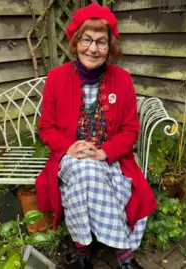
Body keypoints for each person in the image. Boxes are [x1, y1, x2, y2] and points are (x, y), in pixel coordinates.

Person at [35, 3, 157, 269]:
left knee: (93, 175)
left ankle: (83, 255)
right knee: (85, 172)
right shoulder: (56, 79)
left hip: (112, 159)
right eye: (87, 39)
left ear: (109, 47)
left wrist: (105, 152)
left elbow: (130, 130)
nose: (93, 48)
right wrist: (69, 148)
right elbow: (46, 128)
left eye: (101, 42)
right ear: (76, 42)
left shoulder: (122, 79)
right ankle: (125, 257)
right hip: (70, 158)